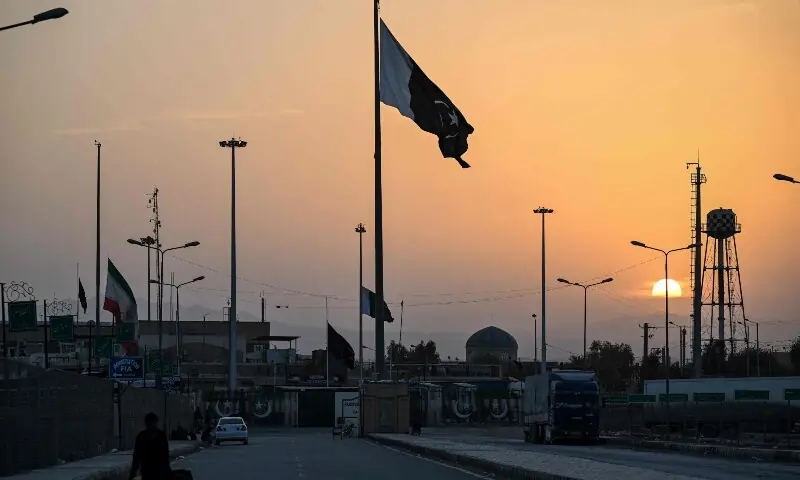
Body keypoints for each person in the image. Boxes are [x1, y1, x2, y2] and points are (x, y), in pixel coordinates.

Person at [129, 412, 171, 480]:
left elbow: (136, 457)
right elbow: (165, 456)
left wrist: (133, 472)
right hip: (157, 472)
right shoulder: (161, 435)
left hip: (150, 472)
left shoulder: (141, 436)